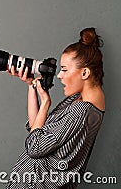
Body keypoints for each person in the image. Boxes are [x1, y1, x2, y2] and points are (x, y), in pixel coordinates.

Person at [6, 28, 105, 189]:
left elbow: (34, 146)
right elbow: (36, 129)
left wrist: (45, 103)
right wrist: (32, 85)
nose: (59, 75)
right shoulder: (77, 100)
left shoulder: (81, 110)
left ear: (85, 72)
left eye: (65, 69)